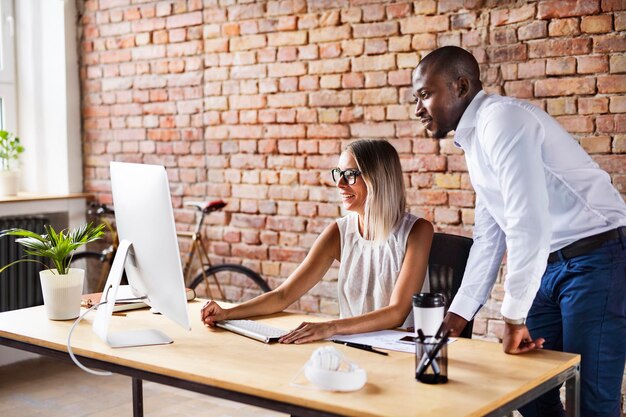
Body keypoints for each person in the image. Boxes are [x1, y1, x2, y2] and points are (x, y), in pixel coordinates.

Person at [412, 45, 626, 417]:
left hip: (598, 259)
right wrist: (459, 314)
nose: (418, 110)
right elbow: (491, 234)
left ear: (461, 87)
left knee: (591, 403)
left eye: (425, 95)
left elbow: (529, 222)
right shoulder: (475, 140)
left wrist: (513, 318)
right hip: (551, 265)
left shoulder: (502, 121)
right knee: (528, 391)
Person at [201, 139, 434, 344]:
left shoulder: (417, 231)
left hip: (402, 350)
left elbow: (396, 313)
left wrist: (329, 327)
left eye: (351, 174)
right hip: (353, 346)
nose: (340, 184)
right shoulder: (339, 232)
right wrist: (228, 313)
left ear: (379, 178)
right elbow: (284, 295)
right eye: (338, 173)